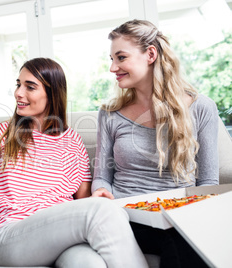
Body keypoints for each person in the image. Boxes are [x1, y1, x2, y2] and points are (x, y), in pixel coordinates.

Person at [0, 57, 148, 267]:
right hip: (12, 236)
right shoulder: (0, 134)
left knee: (90, 263)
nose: (18, 93)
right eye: (18, 84)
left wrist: (96, 195)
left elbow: (83, 201)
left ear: (52, 94)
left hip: (62, 237)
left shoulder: (73, 141)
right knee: (101, 211)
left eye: (30, 87)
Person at [92, 19, 219, 267]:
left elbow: (208, 182)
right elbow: (102, 176)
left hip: (181, 214)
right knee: (175, 240)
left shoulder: (202, 107)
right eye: (111, 59)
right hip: (127, 216)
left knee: (183, 237)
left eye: (120, 58)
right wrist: (100, 190)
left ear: (150, 54)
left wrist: (195, 214)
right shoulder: (109, 113)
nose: (112, 68)